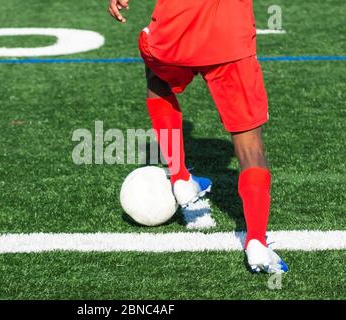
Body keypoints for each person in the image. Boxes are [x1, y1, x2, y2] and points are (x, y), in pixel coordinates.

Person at [108, 0, 288, 273]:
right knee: (250, 147)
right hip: (229, 38)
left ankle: (180, 177)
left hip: (175, 28)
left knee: (157, 77)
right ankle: (256, 243)